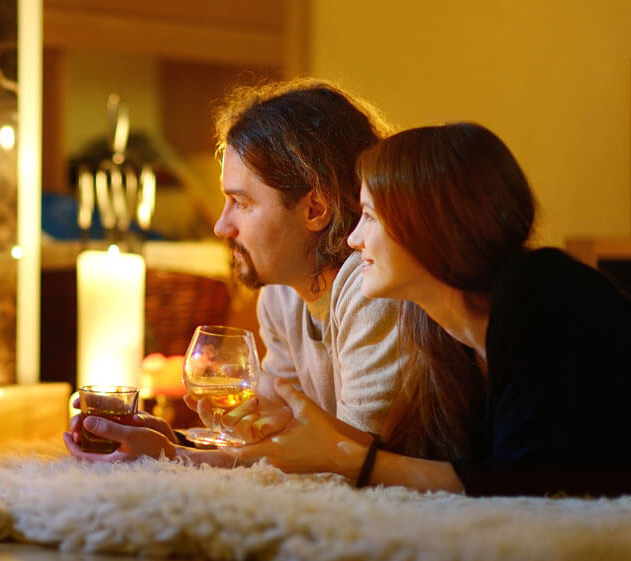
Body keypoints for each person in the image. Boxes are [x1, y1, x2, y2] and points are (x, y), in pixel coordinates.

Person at [228, 122, 631, 496]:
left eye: (369, 216)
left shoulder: (540, 292)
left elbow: (519, 486)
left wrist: (348, 460)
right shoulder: (436, 329)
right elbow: (451, 465)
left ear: (427, 222)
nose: (353, 239)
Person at [65, 80, 406, 464]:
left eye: (240, 203)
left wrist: (178, 456)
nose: (221, 226)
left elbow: (351, 461)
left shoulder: (371, 290)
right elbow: (280, 435)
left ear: (315, 208)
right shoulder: (282, 293)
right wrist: (175, 438)